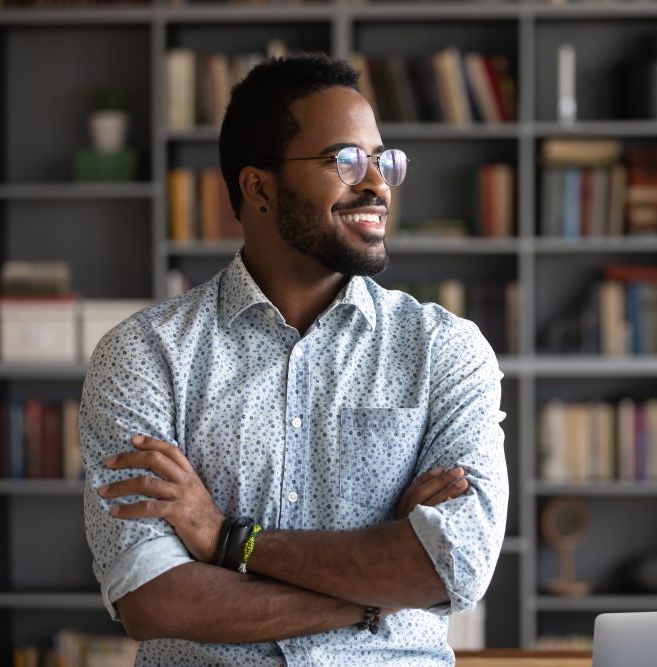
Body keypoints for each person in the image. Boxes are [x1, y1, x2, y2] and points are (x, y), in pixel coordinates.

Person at [81, 53, 508, 666]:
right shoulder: (145, 356)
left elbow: (456, 568)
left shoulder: (445, 350)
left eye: (382, 161)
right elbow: (156, 601)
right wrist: (378, 595)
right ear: (259, 187)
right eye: (345, 161)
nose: (377, 185)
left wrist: (227, 539)